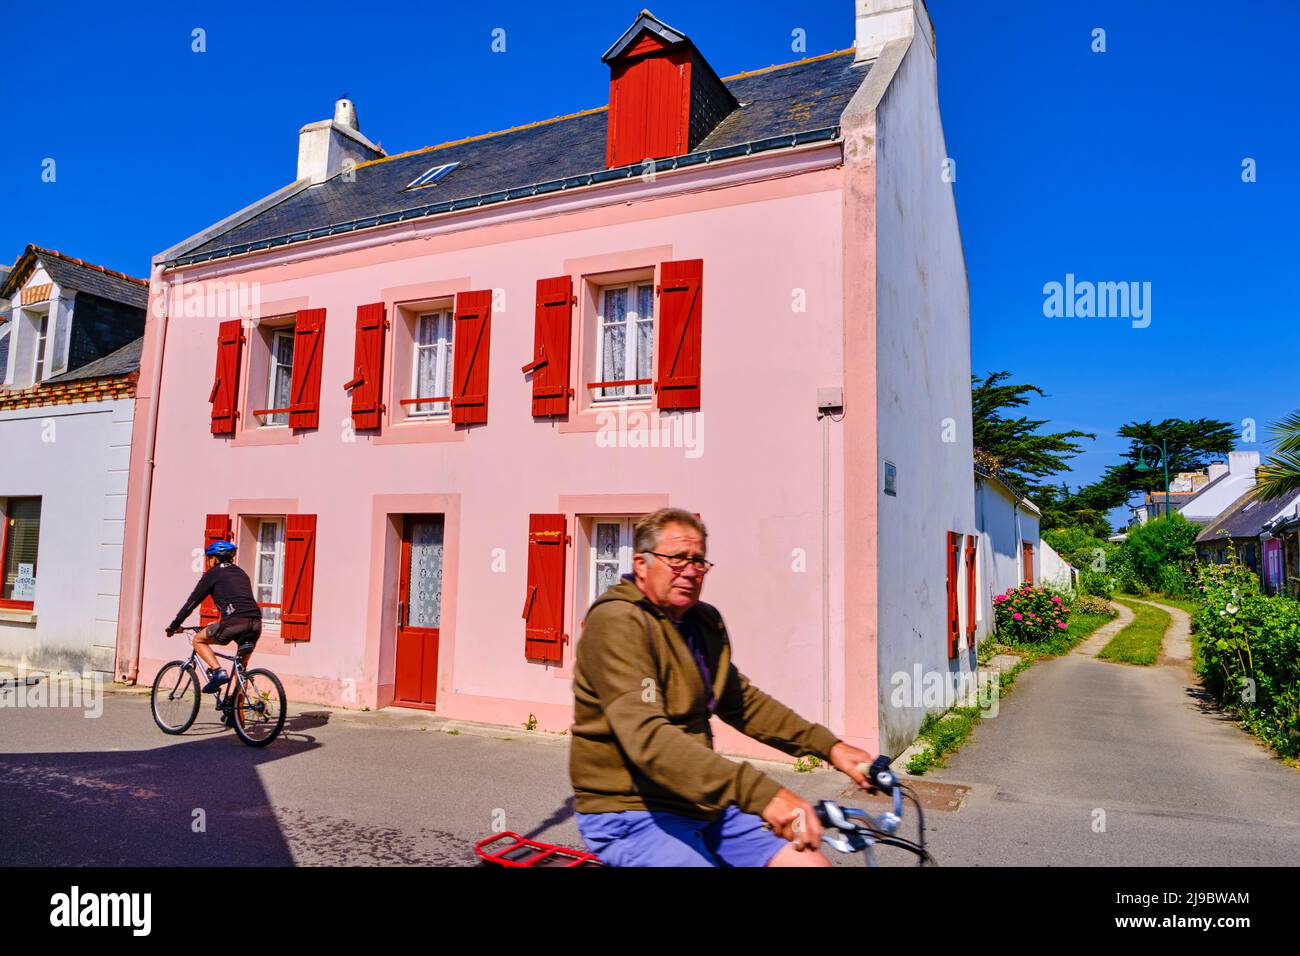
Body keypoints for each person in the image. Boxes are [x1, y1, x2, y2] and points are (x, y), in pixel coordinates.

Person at [570, 508, 877, 867]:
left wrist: (830, 747)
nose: (689, 570)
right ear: (641, 564)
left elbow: (741, 703)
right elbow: (647, 738)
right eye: (677, 559)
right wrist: (762, 795)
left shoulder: (702, 622)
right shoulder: (618, 623)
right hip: (629, 811)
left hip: (701, 803)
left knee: (809, 863)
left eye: (698, 560)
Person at [165, 540, 262, 693]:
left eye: (209, 558)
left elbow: (191, 603)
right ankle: (237, 714)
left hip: (234, 623)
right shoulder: (241, 573)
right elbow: (239, 602)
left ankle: (218, 671)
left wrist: (174, 625)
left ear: (215, 558)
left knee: (198, 640)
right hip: (255, 624)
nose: (208, 562)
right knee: (240, 671)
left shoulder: (213, 574)